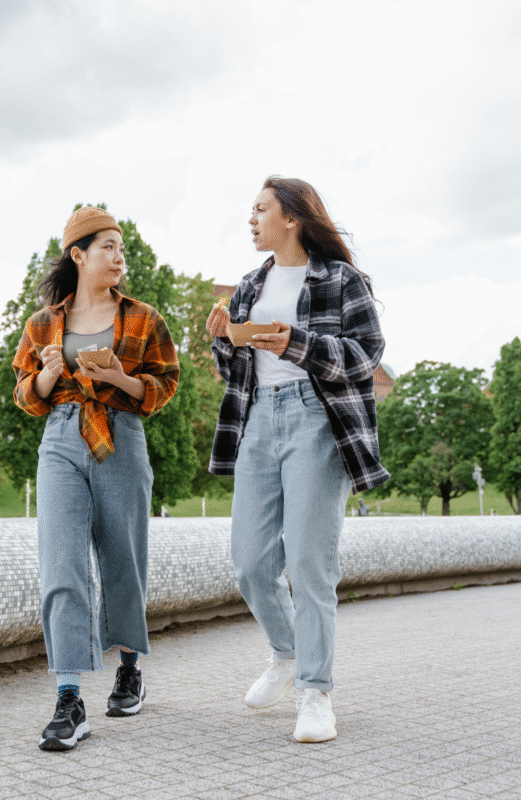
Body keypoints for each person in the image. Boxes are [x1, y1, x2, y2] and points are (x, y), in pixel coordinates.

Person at [206, 176, 389, 743]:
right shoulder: (248, 285)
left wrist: (294, 343)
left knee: (310, 562)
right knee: (249, 562)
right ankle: (286, 653)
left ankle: (315, 692)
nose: (251, 218)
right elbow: (231, 370)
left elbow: (366, 355)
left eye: (261, 209)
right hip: (259, 418)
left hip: (316, 417)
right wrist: (224, 340)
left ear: (292, 217)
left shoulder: (341, 280)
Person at [13, 206, 180, 751]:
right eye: (107, 246)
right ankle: (68, 698)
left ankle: (129, 667)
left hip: (121, 433)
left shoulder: (144, 318)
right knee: (61, 565)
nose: (118, 257)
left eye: (122, 248)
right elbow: (23, 396)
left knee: (123, 559)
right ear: (78, 254)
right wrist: (45, 377)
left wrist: (120, 379)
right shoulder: (42, 324)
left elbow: (165, 384)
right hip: (60, 438)